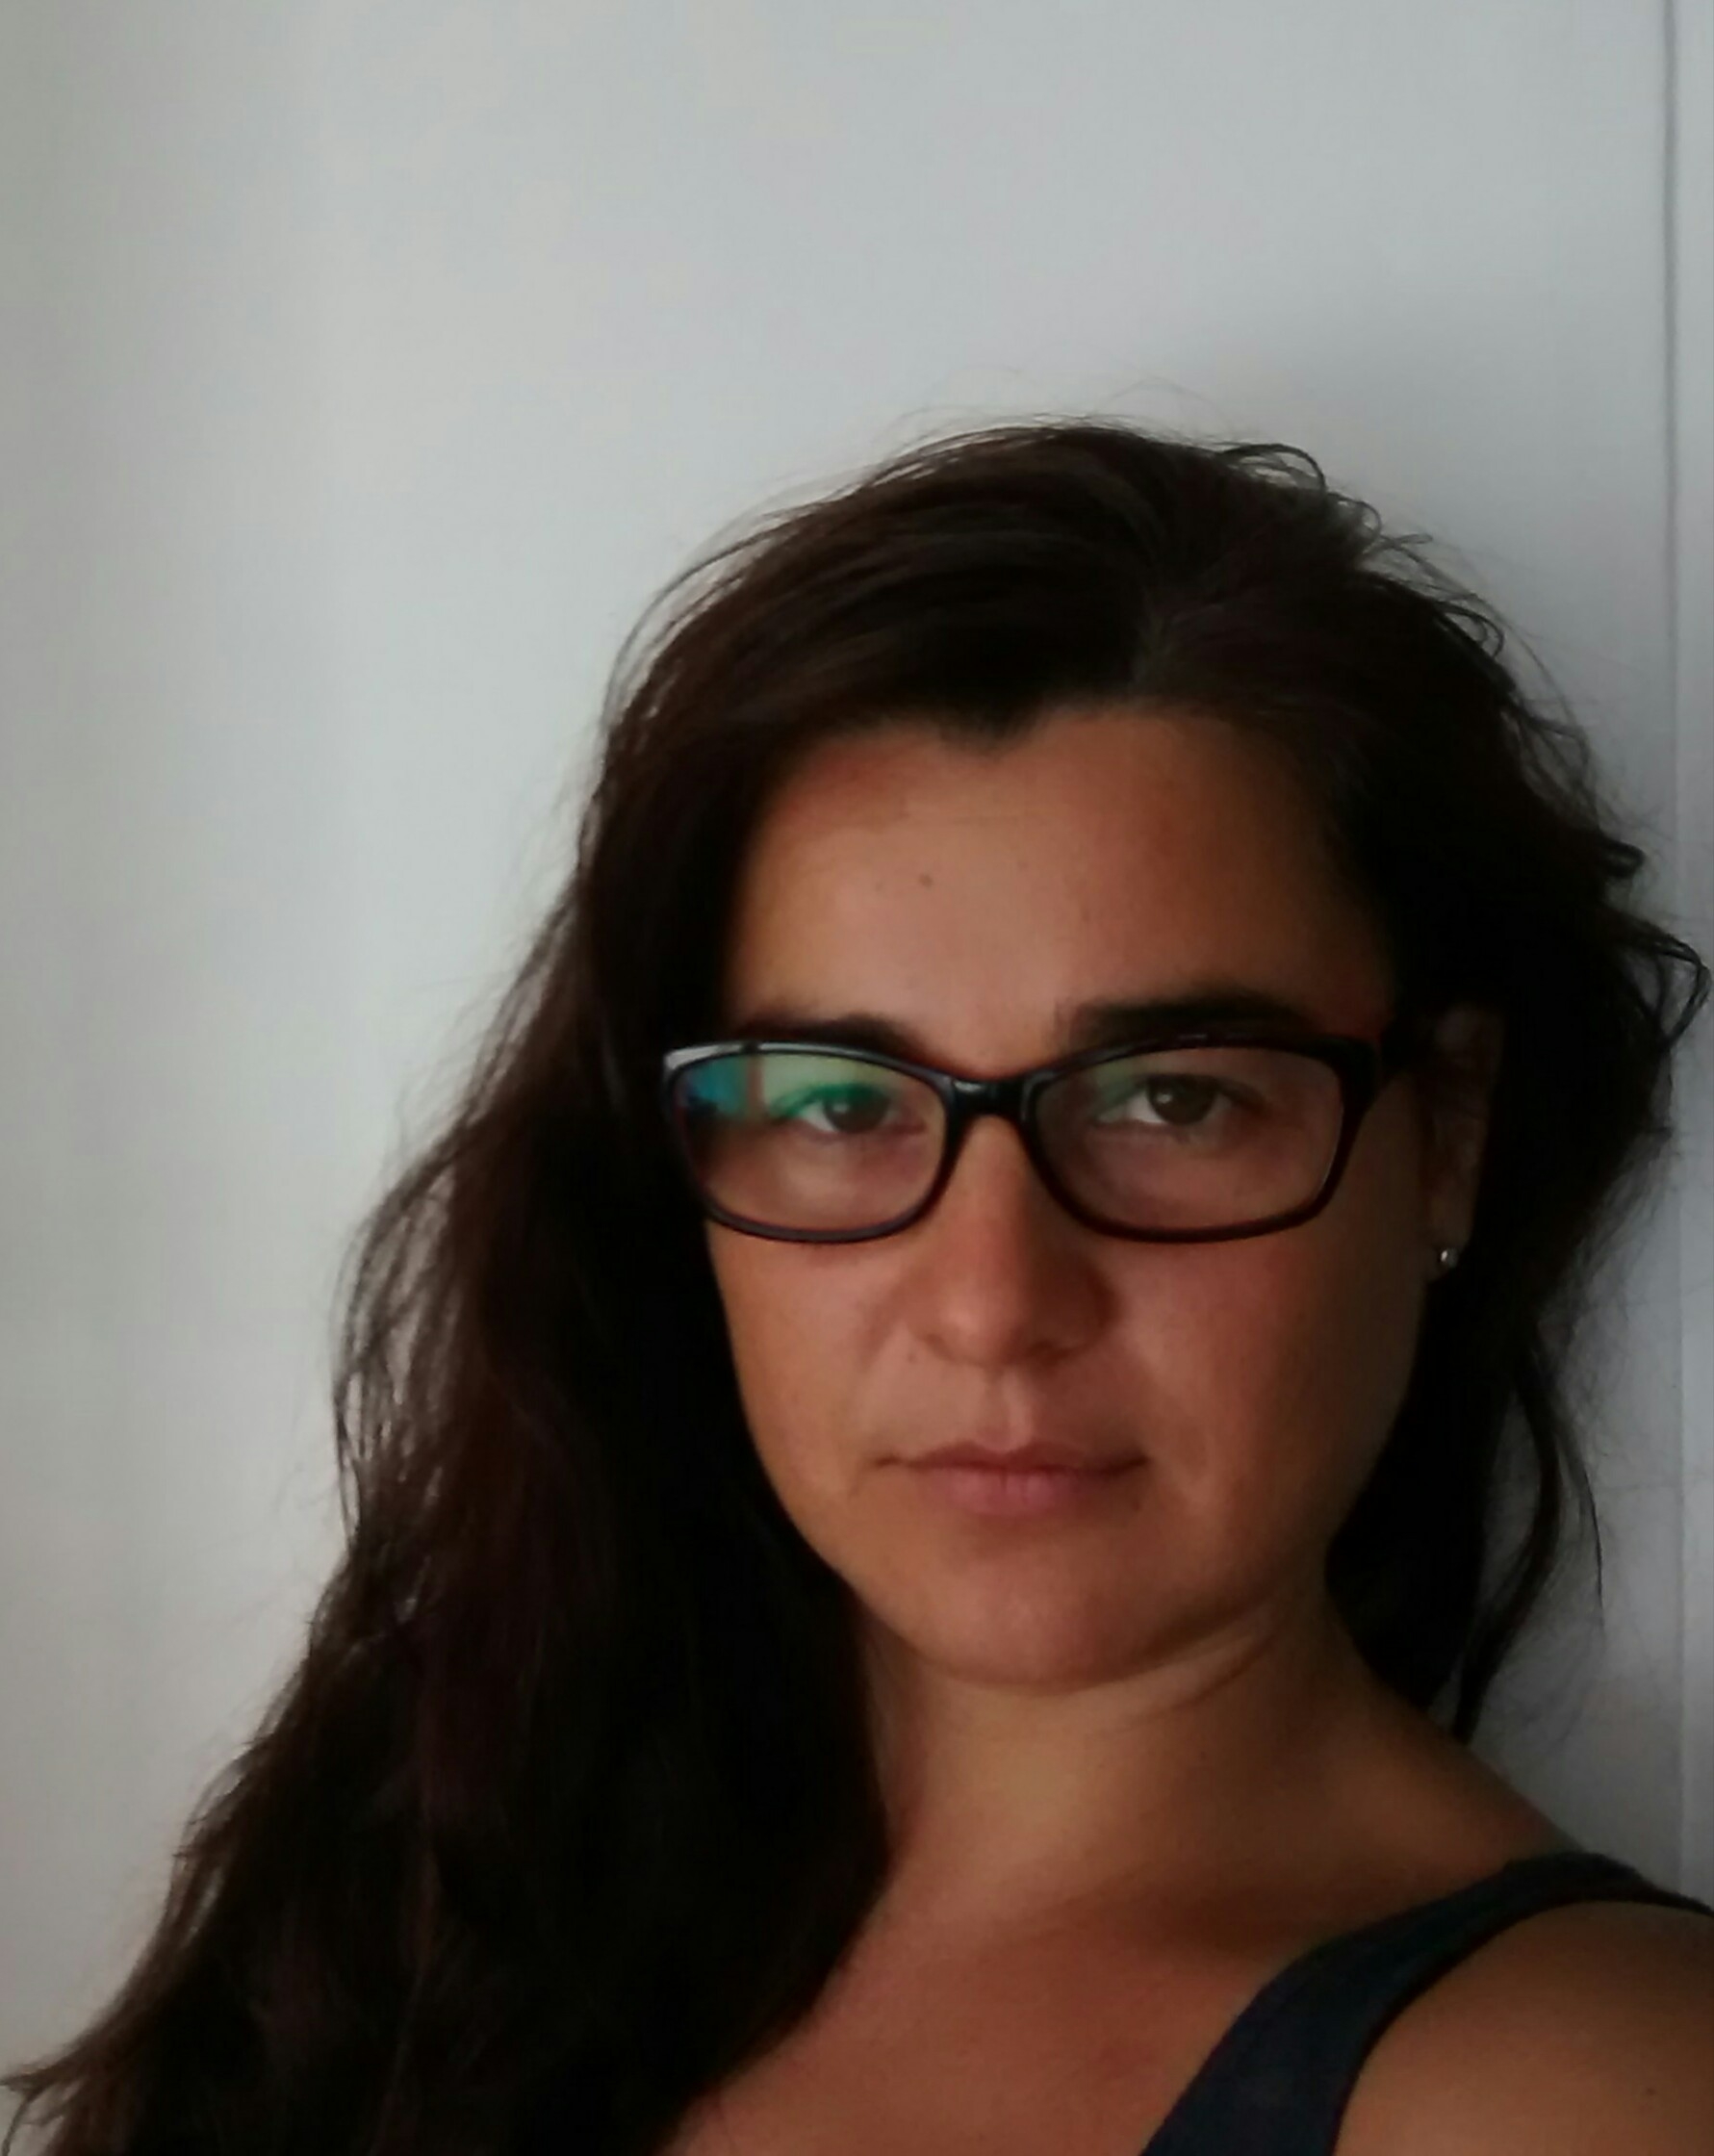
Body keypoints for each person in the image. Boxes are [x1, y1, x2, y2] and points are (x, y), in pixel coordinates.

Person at [6, 419, 1712, 2156]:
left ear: (1445, 1134)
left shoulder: (1592, 2094)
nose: (990, 1302)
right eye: (835, 1105)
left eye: (1171, 1100)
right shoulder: (419, 1912)